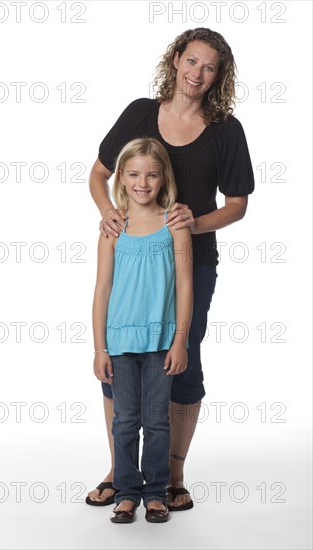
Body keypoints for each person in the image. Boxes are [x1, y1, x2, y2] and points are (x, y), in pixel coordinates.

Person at [87, 27, 255, 511]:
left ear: (217, 76)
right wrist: (108, 212)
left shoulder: (226, 129)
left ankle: (171, 474)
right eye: (192, 61)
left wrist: (194, 222)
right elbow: (100, 173)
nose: (197, 74)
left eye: (209, 67)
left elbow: (238, 204)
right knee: (119, 360)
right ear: (176, 58)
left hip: (191, 261)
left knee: (180, 359)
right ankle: (121, 470)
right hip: (135, 255)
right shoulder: (141, 112)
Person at [92, 137, 193, 523]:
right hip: (119, 341)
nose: (143, 183)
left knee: (156, 420)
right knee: (124, 420)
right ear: (121, 177)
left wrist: (180, 340)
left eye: (152, 174)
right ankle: (128, 490)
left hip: (160, 340)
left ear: (163, 177)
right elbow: (102, 288)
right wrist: (100, 348)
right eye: (133, 174)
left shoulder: (175, 225)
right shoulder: (113, 227)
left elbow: (185, 285)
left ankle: (155, 492)